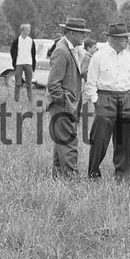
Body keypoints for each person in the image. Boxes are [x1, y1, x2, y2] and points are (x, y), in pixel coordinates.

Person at [84, 22, 130, 181]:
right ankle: (94, 174)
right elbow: (91, 82)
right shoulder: (98, 56)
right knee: (99, 140)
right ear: (114, 39)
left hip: (126, 98)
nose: (128, 41)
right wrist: (96, 101)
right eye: (125, 38)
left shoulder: (129, 57)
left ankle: (122, 176)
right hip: (105, 97)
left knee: (125, 141)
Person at [46, 17, 91, 178]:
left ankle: (58, 177)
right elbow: (53, 83)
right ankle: (72, 178)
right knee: (69, 141)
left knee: (62, 141)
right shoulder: (62, 50)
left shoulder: (69, 48)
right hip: (63, 104)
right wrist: (63, 101)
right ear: (71, 33)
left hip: (66, 103)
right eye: (81, 33)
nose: (84, 37)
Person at [9, 23, 36, 104]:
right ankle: (16, 99)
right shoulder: (17, 41)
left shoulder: (31, 41)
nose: (29, 32)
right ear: (23, 31)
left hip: (28, 63)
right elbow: (12, 51)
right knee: (18, 83)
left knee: (29, 83)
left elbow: (33, 53)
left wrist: (33, 65)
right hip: (19, 63)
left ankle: (30, 99)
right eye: (28, 30)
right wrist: (15, 59)